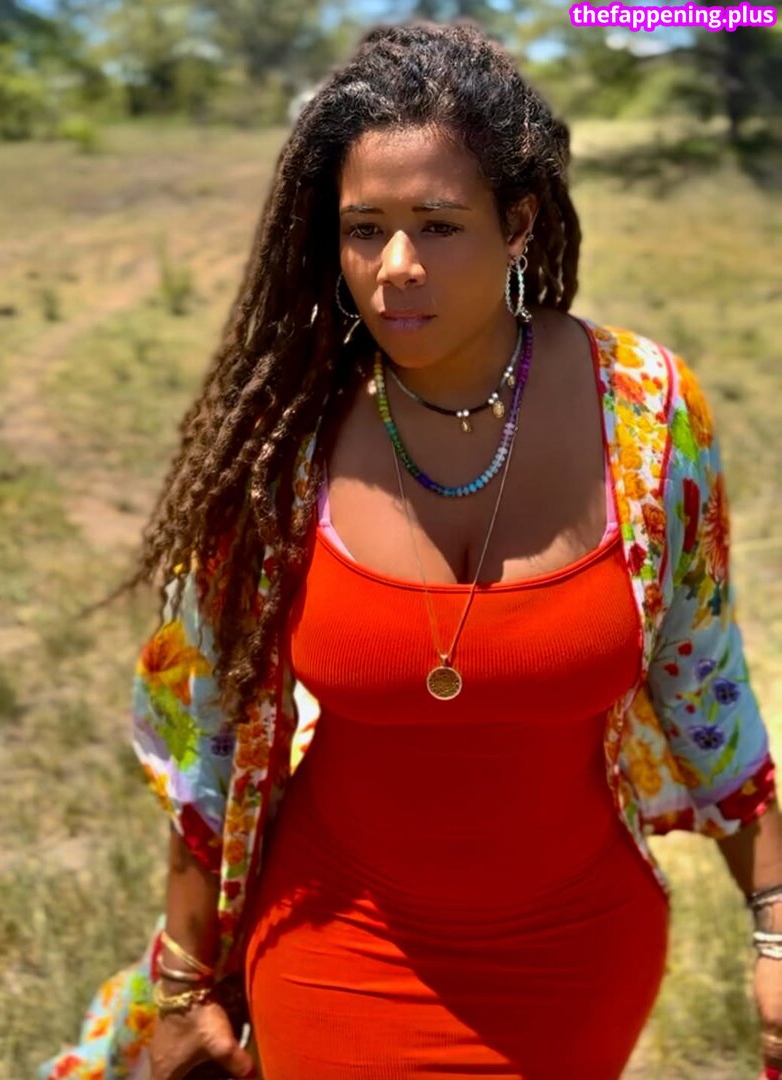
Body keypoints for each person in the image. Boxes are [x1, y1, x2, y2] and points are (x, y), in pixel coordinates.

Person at [40, 20, 782, 1080]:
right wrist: (184, 984)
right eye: (365, 229)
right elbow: (205, 728)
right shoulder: (287, 438)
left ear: (517, 222)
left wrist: (774, 925)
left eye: (438, 225)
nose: (395, 268)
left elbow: (702, 680)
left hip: (576, 953)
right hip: (338, 938)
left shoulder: (646, 412)